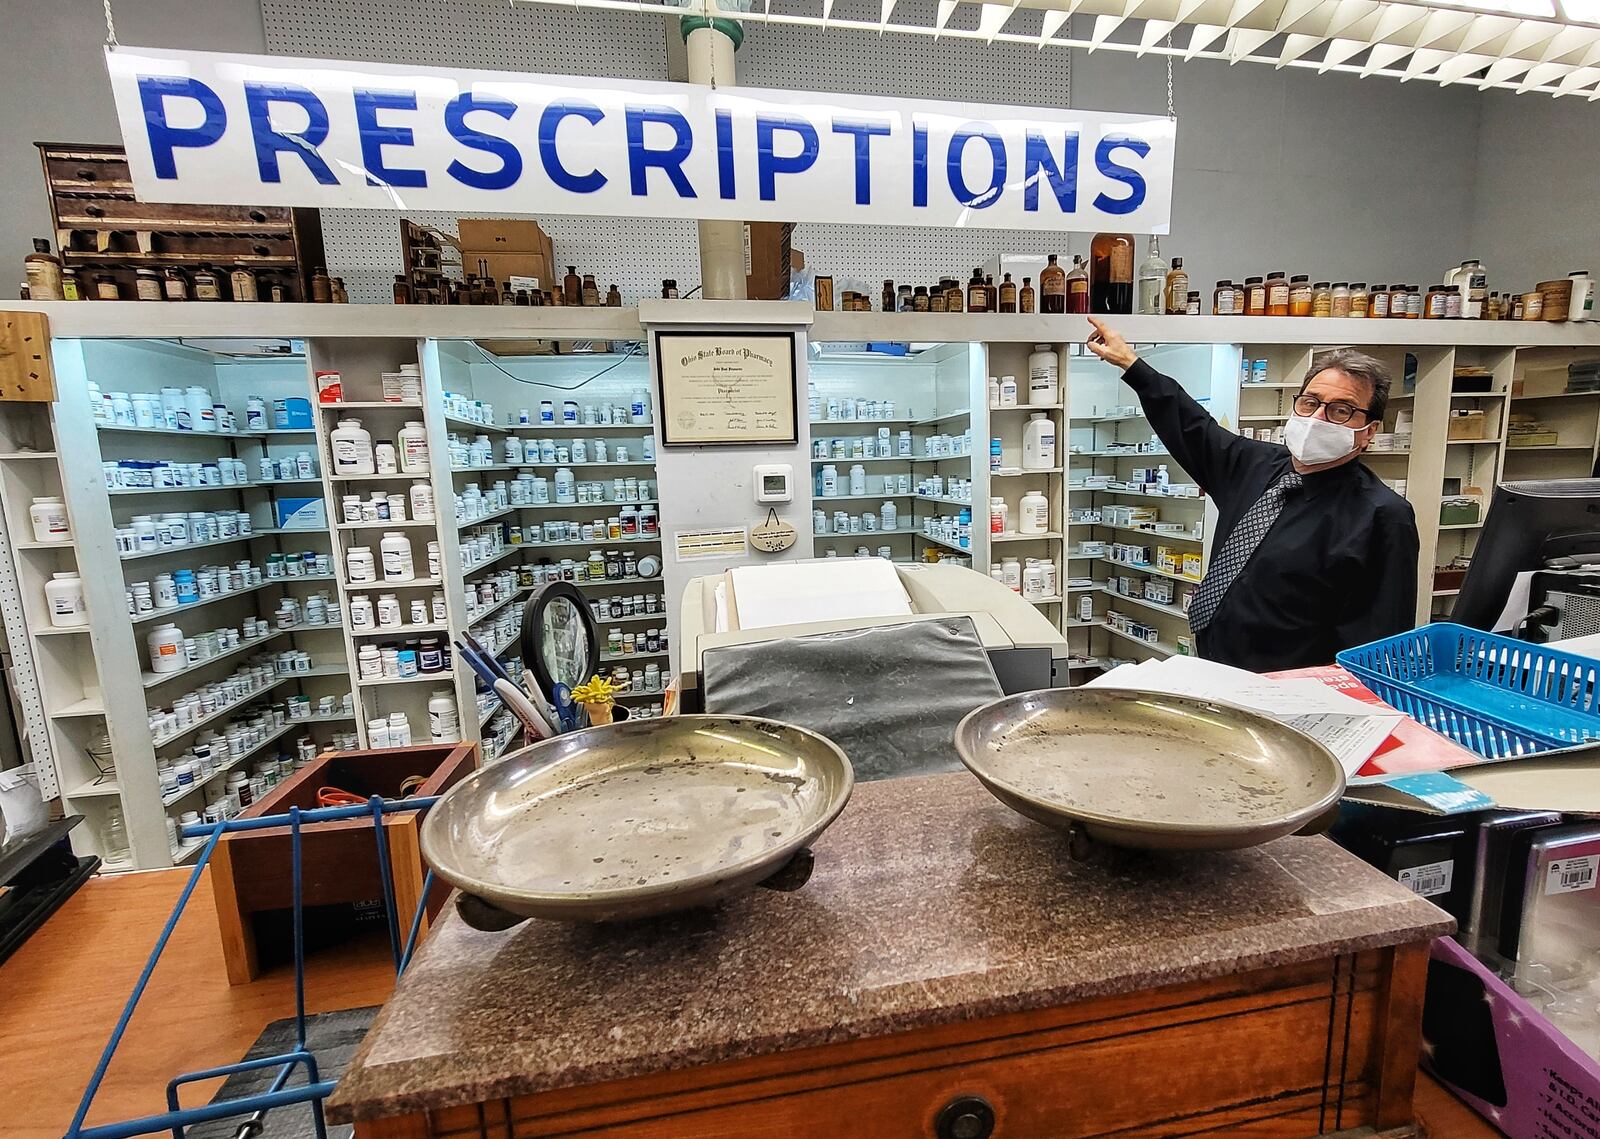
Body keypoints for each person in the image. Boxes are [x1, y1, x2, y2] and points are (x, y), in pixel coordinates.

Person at [1085, 317, 1419, 672]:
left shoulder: (1382, 515)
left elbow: (1380, 644)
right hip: (1215, 666)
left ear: (1369, 432)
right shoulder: (1256, 465)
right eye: (1310, 403)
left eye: (1340, 410)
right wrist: (1131, 364)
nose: (1318, 418)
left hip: (1291, 690)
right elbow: (1192, 426)